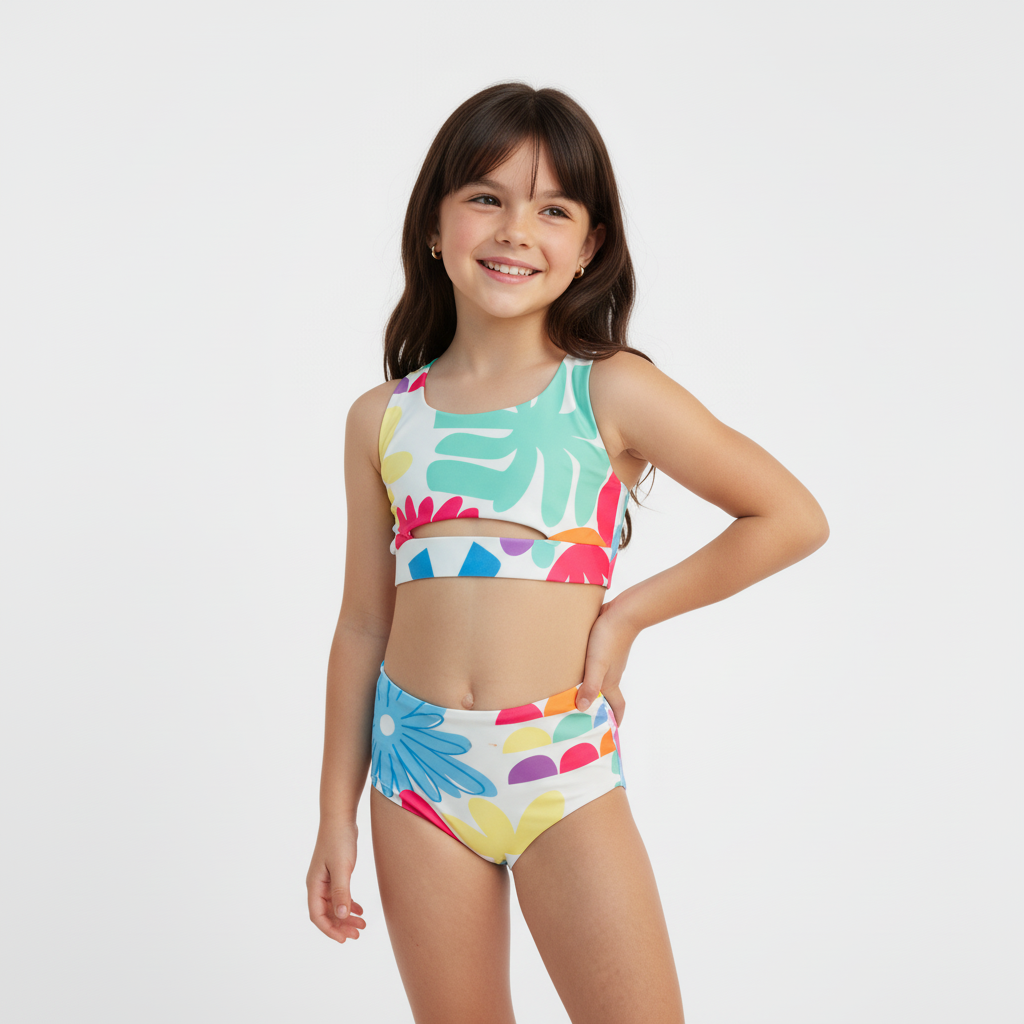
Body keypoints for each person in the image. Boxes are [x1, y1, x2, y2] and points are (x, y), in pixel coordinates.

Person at [306, 82, 828, 1024]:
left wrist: (625, 618)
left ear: (589, 246)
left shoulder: (608, 390)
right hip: (414, 777)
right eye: (486, 198)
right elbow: (362, 625)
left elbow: (789, 516)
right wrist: (332, 814)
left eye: (553, 209)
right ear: (434, 226)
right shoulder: (381, 418)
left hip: (559, 765)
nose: (516, 230)